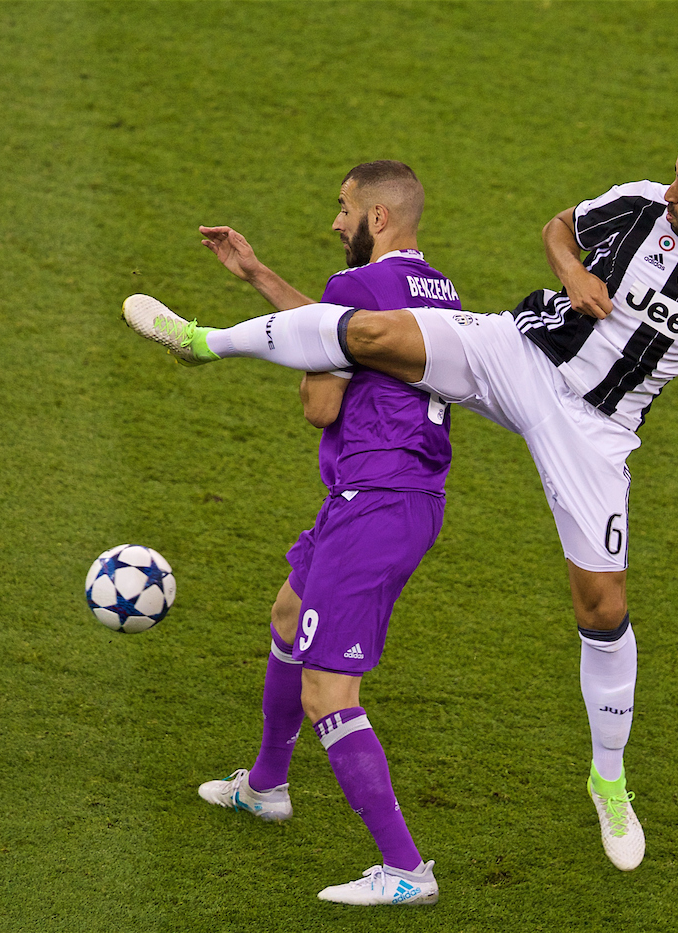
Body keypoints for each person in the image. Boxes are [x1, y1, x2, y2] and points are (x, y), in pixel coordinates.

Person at [123, 130, 678, 873]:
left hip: (597, 430)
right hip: (518, 354)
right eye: (673, 180)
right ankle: (202, 342)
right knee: (373, 332)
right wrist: (572, 271)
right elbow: (558, 225)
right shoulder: (639, 207)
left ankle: (608, 781)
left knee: (602, 607)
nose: (669, 192)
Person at [126, 161, 461, 906]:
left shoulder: (356, 288)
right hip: (398, 497)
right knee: (288, 612)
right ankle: (268, 783)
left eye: (344, 209)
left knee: (328, 689)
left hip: (374, 501)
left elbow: (320, 399)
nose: (335, 222)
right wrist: (258, 275)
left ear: (377, 216)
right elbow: (341, 332)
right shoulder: (432, 287)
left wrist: (315, 372)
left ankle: (407, 869)